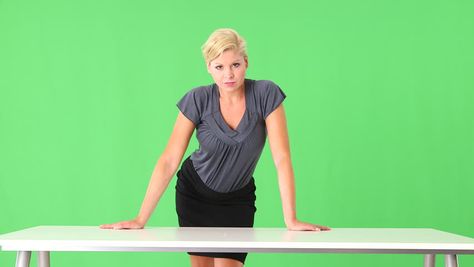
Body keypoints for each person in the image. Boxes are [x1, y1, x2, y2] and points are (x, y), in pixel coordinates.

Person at [100, 28, 331, 267]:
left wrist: (290, 219)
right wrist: (140, 218)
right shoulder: (197, 99)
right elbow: (169, 159)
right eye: (219, 66)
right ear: (208, 68)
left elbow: (281, 158)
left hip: (237, 200)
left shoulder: (265, 94)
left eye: (235, 65)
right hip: (194, 194)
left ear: (246, 63)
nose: (228, 74)